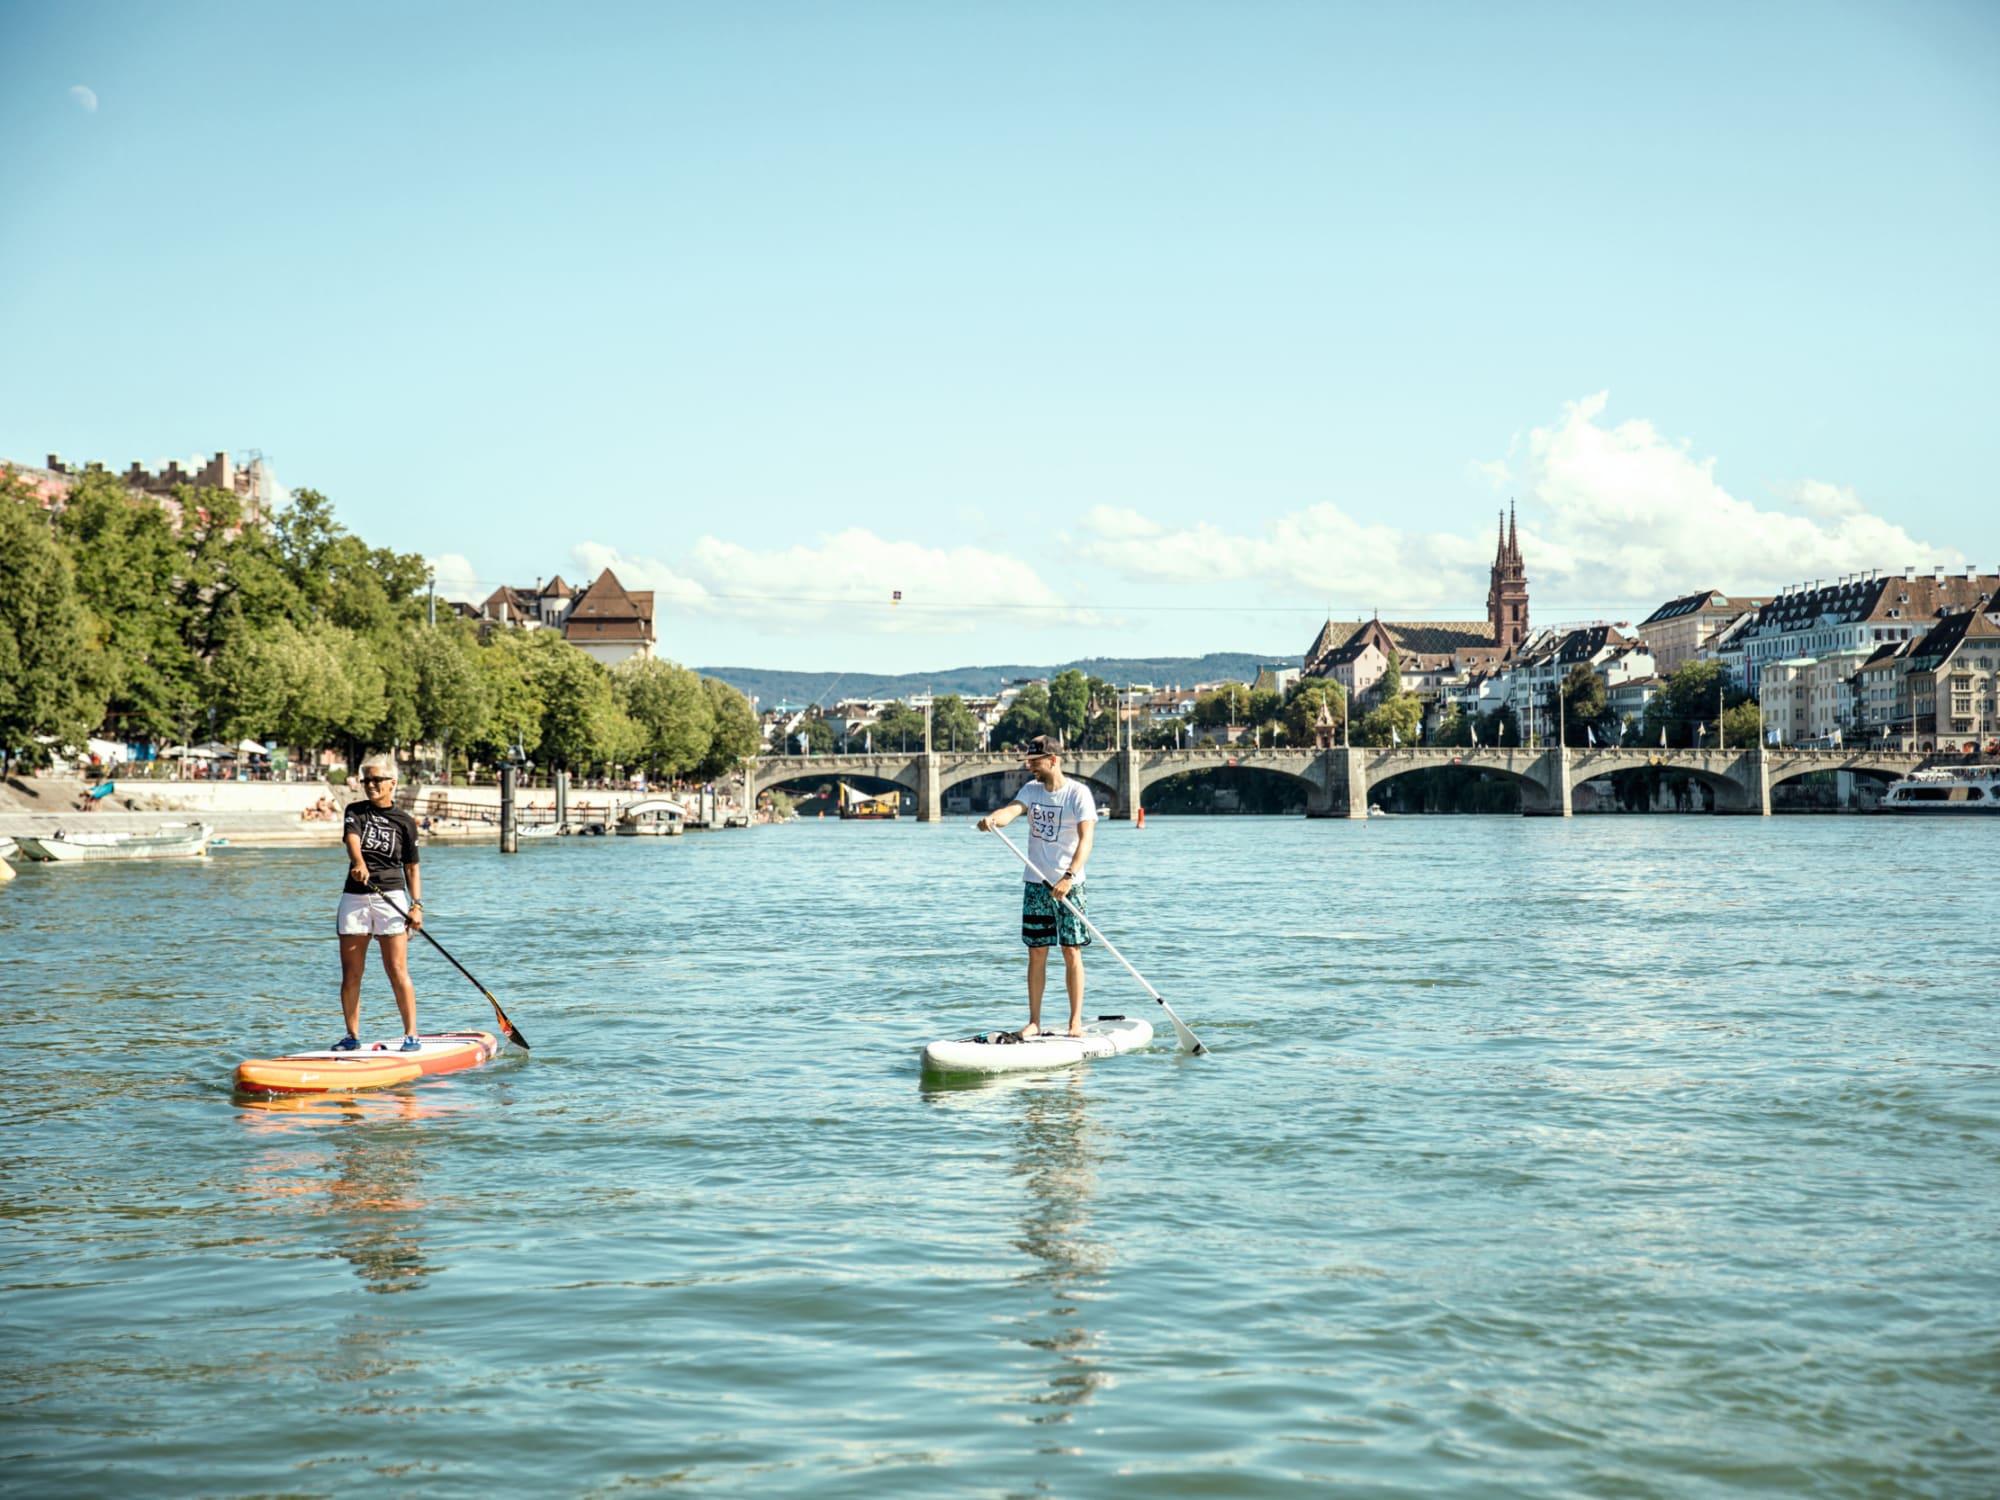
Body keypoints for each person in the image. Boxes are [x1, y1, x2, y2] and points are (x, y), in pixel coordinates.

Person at [975, 733, 1096, 1038]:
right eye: (1029, 761)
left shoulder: (1078, 794)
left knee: (1071, 951)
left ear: (1053, 760)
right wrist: (993, 819)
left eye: (1035, 761)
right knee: (1037, 952)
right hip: (1036, 885)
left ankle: (1075, 1022)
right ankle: (1034, 1022)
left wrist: (1068, 877)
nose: (1030, 766)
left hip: (1069, 885)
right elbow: (1012, 811)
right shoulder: (1031, 790)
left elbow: (1087, 840)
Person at [334, 759, 424, 1052]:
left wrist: (417, 906)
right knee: (351, 973)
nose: (371, 785)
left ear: (392, 783)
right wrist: (358, 863)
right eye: (366, 781)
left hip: (392, 897)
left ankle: (411, 1034)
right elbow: (352, 839)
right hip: (355, 897)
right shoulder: (355, 811)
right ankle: (352, 1036)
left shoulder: (405, 821)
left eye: (376, 780)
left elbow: (412, 867)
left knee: (396, 969)